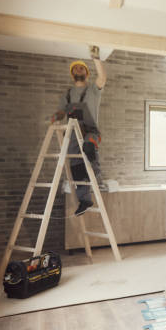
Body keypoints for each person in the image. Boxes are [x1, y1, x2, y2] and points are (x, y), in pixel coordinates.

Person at [52, 46, 106, 216]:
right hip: (72, 133)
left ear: (86, 73)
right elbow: (61, 111)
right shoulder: (67, 94)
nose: (78, 69)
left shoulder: (93, 91)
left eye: (82, 67)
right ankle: (85, 200)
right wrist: (56, 117)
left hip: (90, 130)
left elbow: (102, 77)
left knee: (89, 147)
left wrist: (96, 58)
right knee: (76, 168)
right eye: (75, 68)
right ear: (72, 74)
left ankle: (97, 177)